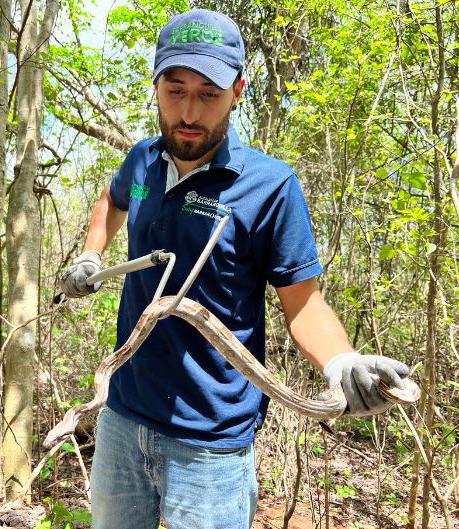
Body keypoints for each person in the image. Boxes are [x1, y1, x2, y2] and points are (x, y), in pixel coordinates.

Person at [55, 9, 409, 529]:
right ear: (155, 86)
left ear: (238, 90)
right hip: (121, 419)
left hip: (210, 446)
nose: (190, 113)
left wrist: (341, 362)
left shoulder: (269, 186)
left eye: (209, 93)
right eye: (175, 91)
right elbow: (112, 200)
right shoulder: (142, 161)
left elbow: (304, 304)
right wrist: (91, 253)